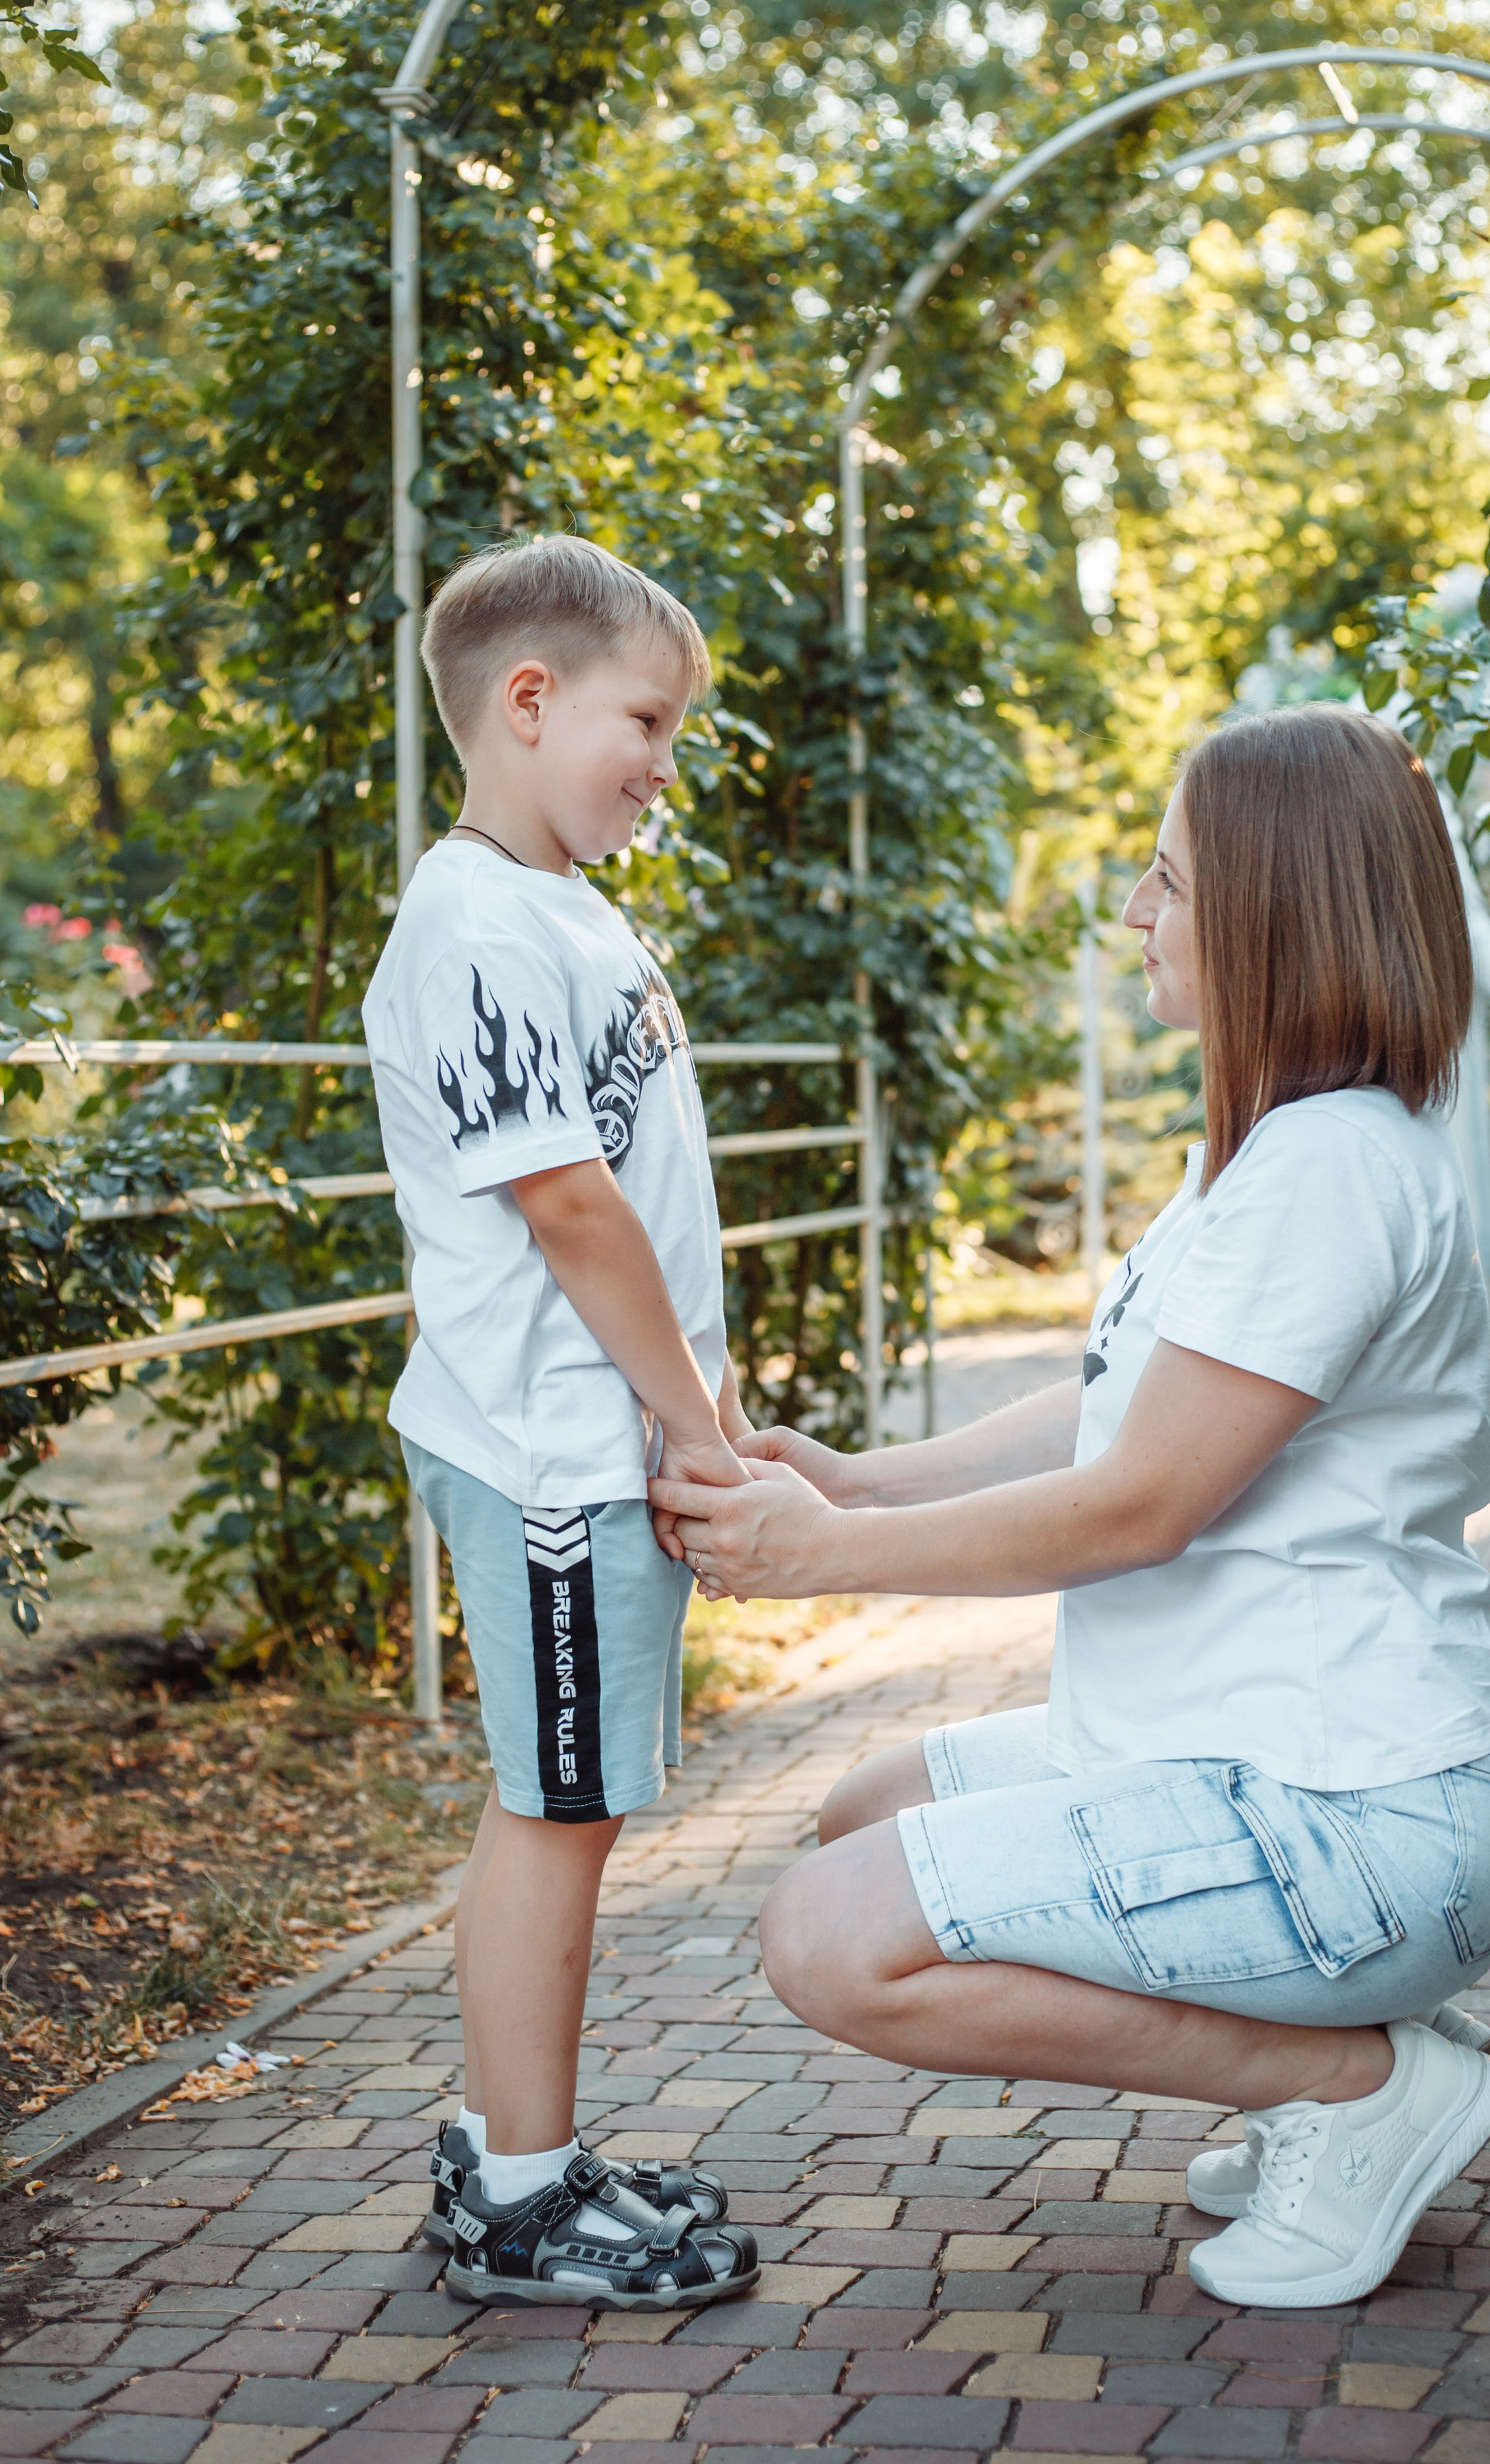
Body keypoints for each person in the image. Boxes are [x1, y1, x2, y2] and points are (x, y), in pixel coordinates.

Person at [650, 705, 1490, 2313]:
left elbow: (1139, 1500)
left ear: (1273, 913)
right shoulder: (1271, 1154)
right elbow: (1117, 1402)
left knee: (828, 1938)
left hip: (1360, 1815)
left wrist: (824, 1562)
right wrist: (854, 1480)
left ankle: (1345, 2085)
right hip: (1245, 1756)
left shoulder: (1326, 1169)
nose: (1132, 917)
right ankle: (1336, 2061)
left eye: (1163, 881)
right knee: (862, 1815)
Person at [363, 533, 760, 2312]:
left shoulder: (560, 909)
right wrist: (694, 1426)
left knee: (573, 1802)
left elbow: (638, 1198)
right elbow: (573, 1210)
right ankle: (515, 2199)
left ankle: (520, 2141)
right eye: (648, 724)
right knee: (556, 1807)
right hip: (549, 1454)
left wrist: (701, 1399)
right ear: (528, 701)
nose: (663, 768)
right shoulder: (472, 926)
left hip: (593, 1438)